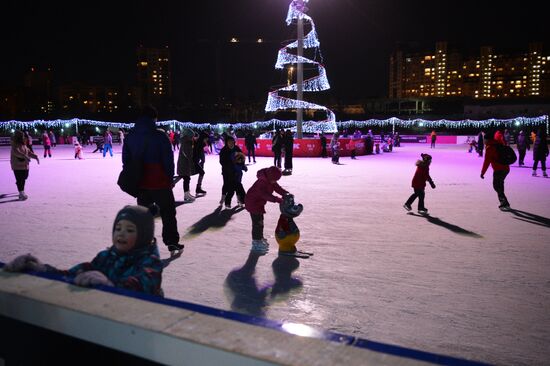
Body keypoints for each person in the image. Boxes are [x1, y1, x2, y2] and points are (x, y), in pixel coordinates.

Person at [4, 205, 164, 296]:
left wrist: (109, 286)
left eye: (130, 230)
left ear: (143, 236)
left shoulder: (151, 263)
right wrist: (42, 269)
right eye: (118, 228)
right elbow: (76, 273)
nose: (121, 233)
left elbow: (141, 285)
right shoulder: (105, 256)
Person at [123, 106, 183, 252]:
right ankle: (171, 241)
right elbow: (168, 160)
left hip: (141, 182)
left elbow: (126, 160)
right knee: (168, 212)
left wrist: (134, 175)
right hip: (160, 181)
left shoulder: (131, 135)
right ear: (154, 118)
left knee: (144, 214)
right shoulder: (160, 135)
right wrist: (169, 179)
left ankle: (143, 242)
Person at [245, 166, 290, 255]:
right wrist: (277, 199)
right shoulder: (261, 182)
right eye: (274, 180)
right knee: (257, 224)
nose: (274, 182)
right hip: (253, 203)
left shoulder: (270, 179)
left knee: (260, 222)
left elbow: (277, 188)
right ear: (270, 177)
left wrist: (286, 193)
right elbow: (264, 195)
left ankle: (259, 238)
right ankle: (256, 242)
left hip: (258, 203)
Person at [481, 132, 511, 210]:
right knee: (500, 184)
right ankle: (504, 202)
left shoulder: (490, 148)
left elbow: (486, 162)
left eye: (484, 139)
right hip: (506, 169)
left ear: (487, 140)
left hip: (499, 169)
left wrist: (482, 173)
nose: (483, 141)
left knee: (496, 185)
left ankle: (504, 203)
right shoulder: (499, 144)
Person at [10, 130, 40, 200]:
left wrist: (35, 156)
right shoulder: (14, 144)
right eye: (22, 135)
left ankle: (19, 186)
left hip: (24, 164)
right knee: (20, 179)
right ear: (18, 137)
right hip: (17, 165)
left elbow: (28, 152)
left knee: (25, 177)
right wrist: (24, 156)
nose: (23, 136)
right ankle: (21, 193)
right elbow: (16, 152)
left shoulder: (23, 144)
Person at [219, 135, 244, 208]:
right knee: (227, 185)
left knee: (238, 185)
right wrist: (229, 166)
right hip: (227, 172)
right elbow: (221, 161)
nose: (231, 143)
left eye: (232, 141)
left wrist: (242, 165)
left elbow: (242, 157)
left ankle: (239, 199)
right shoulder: (224, 150)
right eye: (229, 142)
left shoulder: (237, 148)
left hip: (237, 172)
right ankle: (223, 199)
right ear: (226, 142)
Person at [177, 128, 197, 202]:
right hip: (184, 163)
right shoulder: (186, 142)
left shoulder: (187, 141)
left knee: (186, 178)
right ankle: (186, 195)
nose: (193, 138)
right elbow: (187, 154)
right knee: (186, 178)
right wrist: (191, 162)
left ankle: (187, 193)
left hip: (185, 163)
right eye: (192, 136)